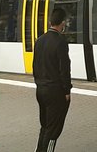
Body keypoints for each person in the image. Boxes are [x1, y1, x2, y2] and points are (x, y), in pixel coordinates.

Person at [33, 8, 72, 152]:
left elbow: (35, 66)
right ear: (62, 24)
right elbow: (64, 69)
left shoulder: (39, 40)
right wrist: (66, 90)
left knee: (45, 126)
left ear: (50, 22)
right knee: (53, 130)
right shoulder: (61, 42)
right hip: (56, 92)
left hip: (41, 90)